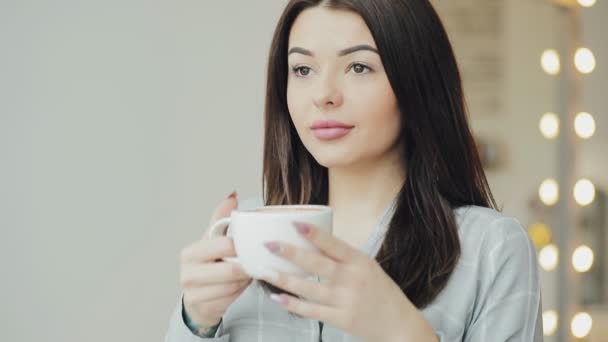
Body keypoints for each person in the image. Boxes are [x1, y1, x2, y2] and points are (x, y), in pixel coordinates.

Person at [165, 0, 543, 341]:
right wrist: (196, 319)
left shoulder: (492, 249)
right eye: (302, 69)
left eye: (359, 66)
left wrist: (404, 333)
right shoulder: (242, 237)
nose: (324, 94)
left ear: (417, 83)